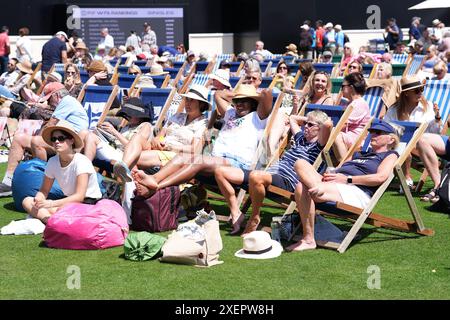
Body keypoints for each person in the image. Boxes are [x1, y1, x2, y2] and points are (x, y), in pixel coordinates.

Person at [130, 85, 273, 196]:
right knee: (182, 157)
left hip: (236, 163)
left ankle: (156, 186)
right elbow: (218, 94)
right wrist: (237, 97)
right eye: (237, 101)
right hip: (216, 159)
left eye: (245, 101)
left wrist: (250, 95)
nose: (239, 104)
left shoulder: (258, 117)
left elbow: (267, 93)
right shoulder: (230, 113)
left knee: (196, 161)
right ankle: (154, 179)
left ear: (254, 103)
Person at [214, 110, 332, 235]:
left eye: (310, 125)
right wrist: (308, 119)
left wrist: (314, 120)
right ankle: (236, 212)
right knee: (220, 172)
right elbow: (292, 118)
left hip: (287, 180)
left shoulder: (318, 146)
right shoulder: (300, 138)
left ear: (319, 128)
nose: (305, 127)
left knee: (255, 176)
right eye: (305, 124)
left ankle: (254, 217)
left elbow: (328, 125)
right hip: (269, 174)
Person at [288, 120, 399, 251]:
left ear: (391, 139)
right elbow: (338, 170)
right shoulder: (359, 153)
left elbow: (380, 177)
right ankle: (317, 190)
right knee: (300, 163)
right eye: (371, 132)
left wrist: (348, 179)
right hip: (334, 184)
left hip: (356, 191)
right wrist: (331, 174)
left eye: (378, 133)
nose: (373, 135)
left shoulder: (390, 155)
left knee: (302, 188)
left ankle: (308, 239)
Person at [0, 82, 89, 197]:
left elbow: (50, 125)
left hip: (72, 141)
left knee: (36, 141)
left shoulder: (66, 101)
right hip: (62, 139)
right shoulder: (67, 102)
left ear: (56, 96)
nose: (48, 102)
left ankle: (39, 183)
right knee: (18, 139)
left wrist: (36, 136)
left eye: (49, 99)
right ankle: (8, 182)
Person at [112, 84, 210, 182]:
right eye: (187, 100)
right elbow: (160, 136)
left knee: (133, 157)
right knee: (137, 137)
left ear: (201, 104)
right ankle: (124, 169)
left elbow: (195, 150)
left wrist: (169, 147)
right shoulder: (177, 116)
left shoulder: (204, 124)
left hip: (177, 156)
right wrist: (159, 141)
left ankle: (125, 179)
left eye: (192, 100)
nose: (187, 103)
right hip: (159, 149)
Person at [22, 121, 102, 224]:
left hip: (88, 203)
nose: (56, 142)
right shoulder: (52, 162)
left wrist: (50, 204)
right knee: (27, 201)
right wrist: (39, 199)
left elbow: (79, 196)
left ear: (71, 140)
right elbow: (44, 190)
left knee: (59, 210)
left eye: (61, 138)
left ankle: (49, 219)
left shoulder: (82, 161)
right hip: (68, 203)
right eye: (53, 139)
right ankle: (50, 221)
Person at [383, 75, 443, 189]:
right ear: (406, 93)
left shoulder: (428, 107)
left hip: (422, 147)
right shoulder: (394, 109)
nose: (420, 92)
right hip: (397, 145)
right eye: (416, 90)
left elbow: (436, 133)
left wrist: (437, 118)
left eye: (421, 89)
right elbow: (385, 128)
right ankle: (404, 178)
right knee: (400, 146)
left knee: (405, 148)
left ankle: (406, 178)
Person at [333, 72, 371, 162]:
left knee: (335, 135)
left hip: (357, 139)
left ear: (351, 88)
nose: (341, 90)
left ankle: (345, 165)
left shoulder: (359, 103)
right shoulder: (349, 103)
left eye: (343, 86)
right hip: (348, 136)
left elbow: (342, 124)